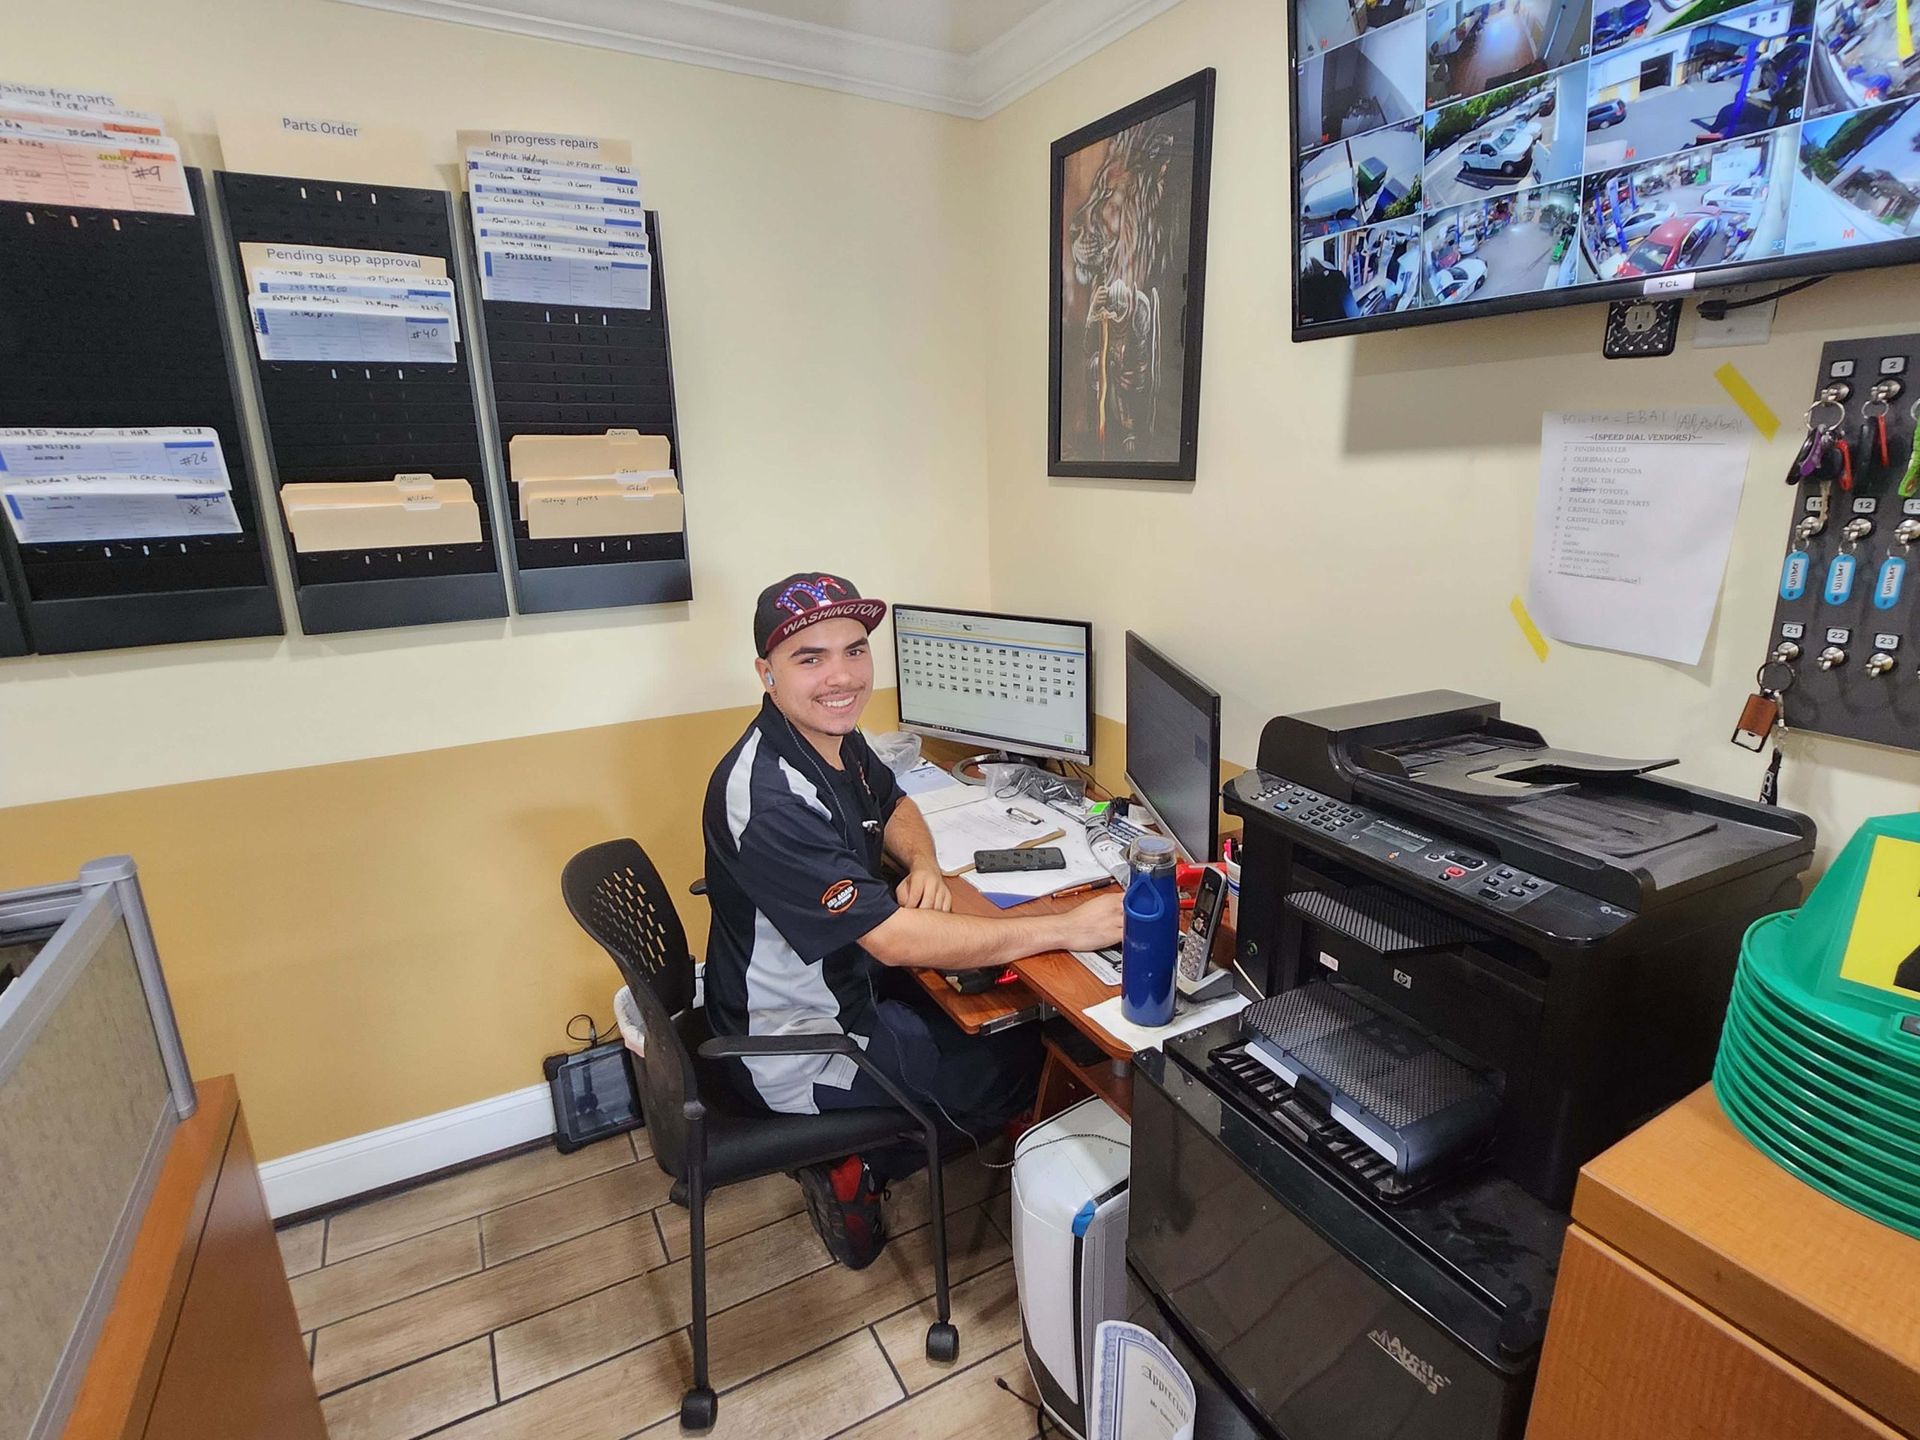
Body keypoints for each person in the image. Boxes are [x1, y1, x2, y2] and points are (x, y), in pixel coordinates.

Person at [701, 571, 1124, 1268]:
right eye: (810, 657)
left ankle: (891, 1138)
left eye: (855, 650)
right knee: (1035, 1055)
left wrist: (923, 864)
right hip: (802, 1043)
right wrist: (1070, 927)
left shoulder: (826, 737)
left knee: (1000, 1006)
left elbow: (894, 802)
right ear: (765, 673)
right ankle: (860, 1166)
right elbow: (895, 942)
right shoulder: (771, 796)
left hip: (847, 987)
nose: (842, 676)